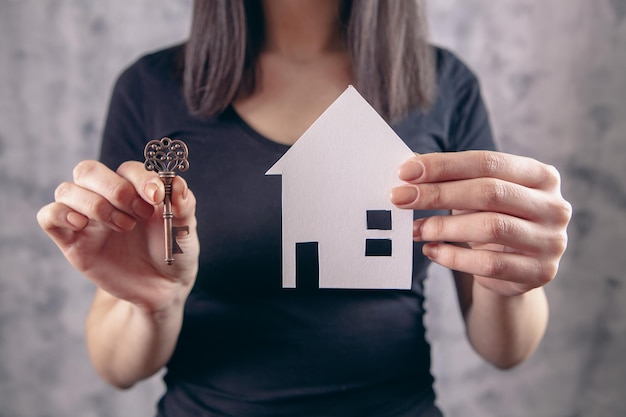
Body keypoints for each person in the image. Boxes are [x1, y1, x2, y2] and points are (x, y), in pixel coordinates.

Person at [36, 1, 572, 416]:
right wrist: (155, 304)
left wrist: (510, 277)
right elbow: (115, 364)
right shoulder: (150, 89)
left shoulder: (442, 84)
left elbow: (506, 348)